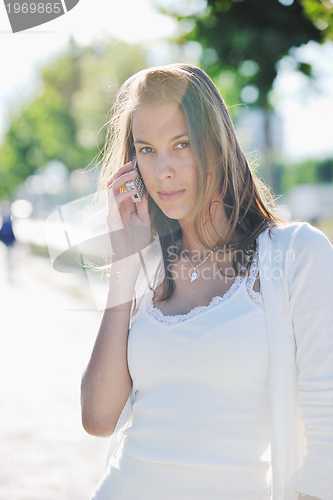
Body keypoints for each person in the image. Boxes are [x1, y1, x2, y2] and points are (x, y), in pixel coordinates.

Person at [80, 64, 333, 500]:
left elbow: (327, 435)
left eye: (182, 144)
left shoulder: (296, 255)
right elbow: (99, 419)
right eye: (146, 149)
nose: (162, 170)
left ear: (217, 144)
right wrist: (124, 262)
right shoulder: (147, 270)